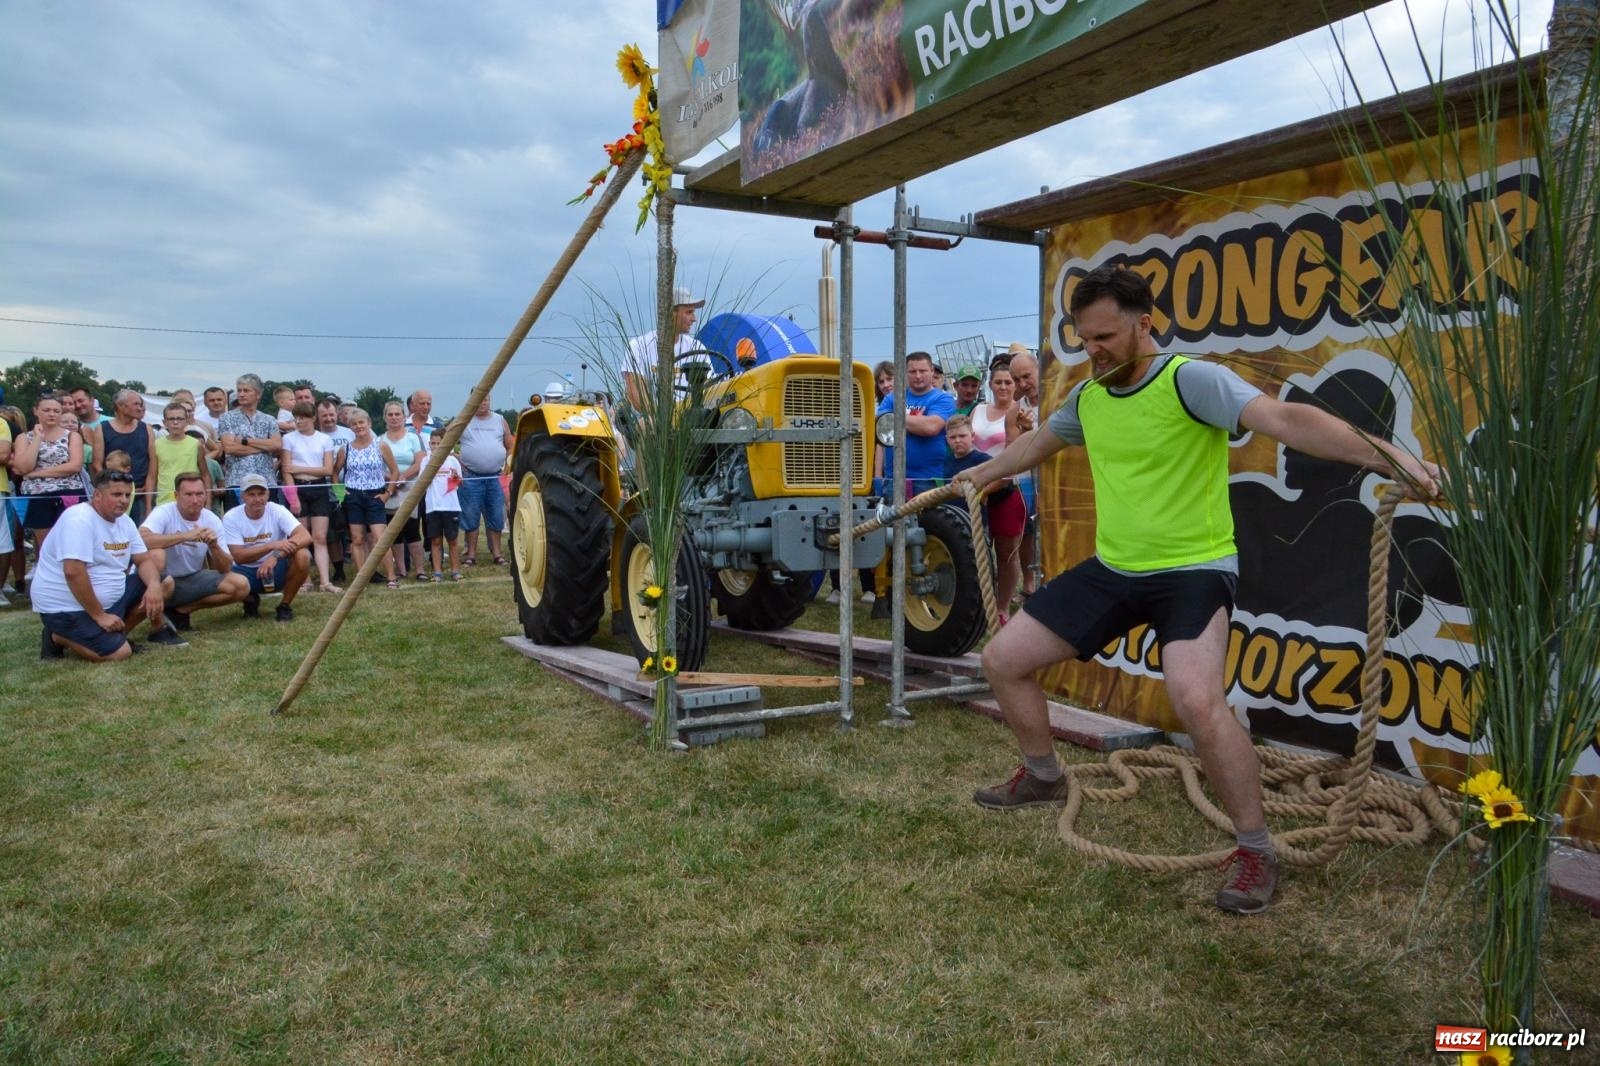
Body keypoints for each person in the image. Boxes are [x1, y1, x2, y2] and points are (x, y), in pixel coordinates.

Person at [954, 264, 1439, 915]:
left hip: (1193, 570)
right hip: (1115, 569)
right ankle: (1043, 776)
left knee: (1195, 700)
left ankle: (1255, 848)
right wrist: (979, 475)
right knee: (1003, 660)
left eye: (1105, 336)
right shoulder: (1090, 400)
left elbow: (1287, 420)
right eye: (1084, 338)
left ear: (1144, 323)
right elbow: (1037, 445)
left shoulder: (1193, 380)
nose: (1093, 350)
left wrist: (1391, 456)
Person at [33, 469, 187, 661]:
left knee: (164, 583)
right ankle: (56, 636)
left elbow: (144, 560)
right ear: (97, 495)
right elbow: (73, 572)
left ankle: (115, 635)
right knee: (120, 653)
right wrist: (99, 616)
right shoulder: (79, 519)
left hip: (108, 603)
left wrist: (154, 586)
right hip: (68, 607)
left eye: (127, 495)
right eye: (116, 494)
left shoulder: (125, 521)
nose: (123, 500)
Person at [139, 472, 250, 628]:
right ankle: (158, 623)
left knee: (241, 585)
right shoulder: (164, 512)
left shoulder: (211, 519)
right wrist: (185, 536)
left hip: (191, 578)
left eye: (199, 494)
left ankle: (181, 611)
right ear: (176, 495)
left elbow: (225, 568)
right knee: (156, 554)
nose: (195, 500)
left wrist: (214, 546)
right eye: (189, 494)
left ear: (206, 495)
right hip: (162, 581)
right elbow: (141, 540)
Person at [968, 364, 1027, 618]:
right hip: (976, 487)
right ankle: (977, 605)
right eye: (998, 382)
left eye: (1008, 382)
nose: (1003, 387)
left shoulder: (1017, 413)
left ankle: (1002, 607)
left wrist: (988, 487)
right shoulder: (978, 409)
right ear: (990, 385)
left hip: (1003, 488)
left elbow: (1012, 456)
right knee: (974, 551)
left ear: (1015, 386)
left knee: (1006, 552)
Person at [221, 473, 312, 621]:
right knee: (223, 568)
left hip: (276, 568)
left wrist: (275, 556)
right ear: (242, 496)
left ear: (268, 494)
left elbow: (305, 536)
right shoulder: (231, 517)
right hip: (244, 570)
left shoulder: (278, 510)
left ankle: (284, 606)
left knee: (303, 555)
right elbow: (238, 556)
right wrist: (270, 545)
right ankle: (250, 601)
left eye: (261, 493)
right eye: (251, 494)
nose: (258, 499)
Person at [11, 393, 86, 556]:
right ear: (35, 411)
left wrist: (36, 474)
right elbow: (23, 467)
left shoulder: (73, 436)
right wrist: (38, 438)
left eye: (56, 411)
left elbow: (74, 466)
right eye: (46, 410)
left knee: (71, 543)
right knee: (46, 547)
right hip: (38, 496)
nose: (52, 414)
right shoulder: (24, 438)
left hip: (69, 494)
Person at [873, 350, 955, 498]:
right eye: (912, 371)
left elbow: (931, 427)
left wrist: (896, 420)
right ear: (905, 373)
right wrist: (917, 420)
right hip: (894, 481)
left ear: (931, 371)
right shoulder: (891, 399)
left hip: (929, 481)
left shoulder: (944, 399)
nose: (918, 376)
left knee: (930, 521)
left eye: (922, 371)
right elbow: (883, 426)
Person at [280, 401, 340, 592]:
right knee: (302, 537)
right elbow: (286, 470)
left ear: (313, 418)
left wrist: (300, 468)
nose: (299, 422)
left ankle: (325, 581)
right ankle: (305, 580)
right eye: (296, 418)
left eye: (303, 418)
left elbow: (328, 469)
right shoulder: (289, 439)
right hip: (298, 489)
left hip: (319, 489)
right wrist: (293, 497)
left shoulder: (324, 439)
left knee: (320, 537)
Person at [339, 409, 398, 588]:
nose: (358, 426)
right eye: (354, 424)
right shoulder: (345, 448)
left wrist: (388, 493)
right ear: (350, 427)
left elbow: (395, 471)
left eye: (361, 422)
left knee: (381, 539)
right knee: (357, 539)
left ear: (369, 424)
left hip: (375, 495)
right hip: (353, 496)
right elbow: (335, 472)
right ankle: (361, 579)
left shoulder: (381, 445)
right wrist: (340, 494)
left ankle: (391, 577)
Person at [622, 288, 709, 408]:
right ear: (671, 313)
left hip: (691, 416)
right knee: (648, 423)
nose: (694, 319)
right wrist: (660, 419)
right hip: (651, 419)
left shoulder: (697, 348)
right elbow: (635, 393)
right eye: (689, 312)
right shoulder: (638, 346)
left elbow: (710, 387)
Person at [457, 395, 514, 567]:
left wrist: (509, 462)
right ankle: (471, 555)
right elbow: (446, 440)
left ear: (490, 401)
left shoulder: (500, 420)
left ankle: (497, 553)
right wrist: (458, 462)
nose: (482, 403)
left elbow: (510, 444)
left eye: (485, 399)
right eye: (478, 399)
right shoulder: (464, 419)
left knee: (496, 515)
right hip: (471, 477)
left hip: (494, 476)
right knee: (471, 516)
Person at [1004, 347, 1043, 596]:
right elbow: (1014, 453)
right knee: (1027, 533)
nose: (1022, 383)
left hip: (1055, 479)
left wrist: (1031, 432)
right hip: (1028, 480)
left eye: (1026, 376)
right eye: (1016, 379)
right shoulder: (1014, 410)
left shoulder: (1057, 401)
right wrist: (1026, 432)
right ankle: (1029, 584)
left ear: (1039, 369)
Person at [90, 389, 157, 523]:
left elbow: (152, 467)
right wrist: (116, 489)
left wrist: (149, 504)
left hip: (140, 497)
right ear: (120, 406)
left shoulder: (146, 429)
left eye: (140, 405)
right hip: (113, 497)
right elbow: (97, 464)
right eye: (136, 404)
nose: (140, 408)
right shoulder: (102, 428)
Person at [378, 400, 428, 580]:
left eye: (397, 414)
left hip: (410, 487)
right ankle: (401, 570)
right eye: (390, 414)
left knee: (412, 529)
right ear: (385, 417)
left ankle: (420, 570)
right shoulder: (380, 440)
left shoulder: (414, 437)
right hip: (390, 489)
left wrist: (403, 476)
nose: (394, 417)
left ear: (403, 416)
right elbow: (377, 466)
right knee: (394, 531)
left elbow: (420, 461)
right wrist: (391, 479)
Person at [217, 374, 283, 508]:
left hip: (267, 482)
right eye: (239, 390)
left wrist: (245, 441)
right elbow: (230, 448)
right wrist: (265, 446)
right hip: (237, 483)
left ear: (258, 394)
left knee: (269, 524)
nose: (241, 394)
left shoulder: (269, 419)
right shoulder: (227, 418)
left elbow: (277, 445)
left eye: (246, 390)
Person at [316, 398, 355, 583]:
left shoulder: (350, 433)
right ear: (318, 417)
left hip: (352, 488)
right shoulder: (314, 435)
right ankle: (339, 570)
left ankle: (368, 569)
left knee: (357, 531)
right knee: (331, 534)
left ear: (337, 415)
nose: (329, 419)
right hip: (325, 490)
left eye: (331, 415)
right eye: (324, 416)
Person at [424, 425, 464, 582]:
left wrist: (449, 487)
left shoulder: (452, 461)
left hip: (451, 506)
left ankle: (455, 571)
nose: (435, 447)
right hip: (433, 507)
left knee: (452, 540)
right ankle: (437, 572)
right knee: (435, 540)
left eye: (438, 443)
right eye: (432, 443)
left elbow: (458, 480)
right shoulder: (426, 461)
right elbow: (422, 481)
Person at [152, 402, 211, 505]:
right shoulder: (156, 445)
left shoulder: (196, 444)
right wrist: (148, 506)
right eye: (171, 419)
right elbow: (152, 476)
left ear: (186, 421)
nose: (175, 422)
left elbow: (205, 474)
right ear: (164, 422)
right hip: (164, 501)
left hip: (191, 500)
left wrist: (208, 502)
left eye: (180, 419)